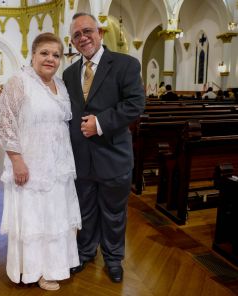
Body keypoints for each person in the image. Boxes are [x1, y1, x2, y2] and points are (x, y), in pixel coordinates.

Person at [0, 32, 81, 291]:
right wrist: (17, 161)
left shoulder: (61, 86)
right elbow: (4, 124)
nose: (50, 59)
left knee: (54, 217)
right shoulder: (19, 82)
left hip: (58, 164)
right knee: (35, 219)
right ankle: (34, 269)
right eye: (45, 53)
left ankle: (53, 267)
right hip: (30, 165)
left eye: (56, 55)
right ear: (33, 54)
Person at [63, 13, 145, 283]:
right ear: (73, 42)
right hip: (82, 158)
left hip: (113, 155)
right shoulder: (69, 72)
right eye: (77, 35)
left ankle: (113, 258)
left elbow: (135, 104)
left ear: (99, 32)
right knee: (85, 211)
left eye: (87, 31)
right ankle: (85, 252)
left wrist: (100, 123)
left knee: (113, 213)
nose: (83, 37)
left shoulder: (125, 64)